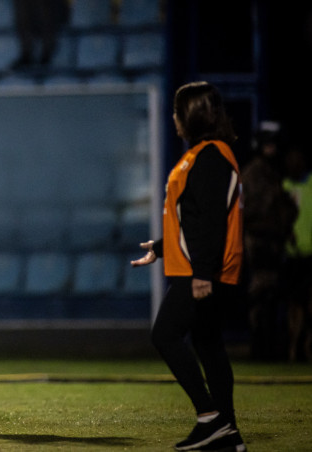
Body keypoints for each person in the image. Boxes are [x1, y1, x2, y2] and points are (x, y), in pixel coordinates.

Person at [131, 82, 246, 451]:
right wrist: (162, 248)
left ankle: (210, 418)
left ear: (191, 116)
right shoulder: (206, 154)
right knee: (207, 342)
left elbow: (210, 222)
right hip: (204, 267)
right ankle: (227, 433)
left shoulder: (210, 156)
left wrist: (201, 274)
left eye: (178, 112)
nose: (174, 119)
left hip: (202, 272)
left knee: (164, 335)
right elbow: (194, 218)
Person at [241, 121, 297, 360]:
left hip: (275, 242)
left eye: (274, 143)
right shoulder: (254, 173)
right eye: (267, 142)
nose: (271, 148)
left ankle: (270, 346)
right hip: (260, 241)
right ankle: (260, 348)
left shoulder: (275, 172)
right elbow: (249, 211)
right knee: (261, 295)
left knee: (272, 296)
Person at [282, 145, 312, 362]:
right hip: (292, 255)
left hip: (310, 254)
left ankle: (307, 347)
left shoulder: (311, 185)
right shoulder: (283, 187)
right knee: (295, 305)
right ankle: (293, 348)